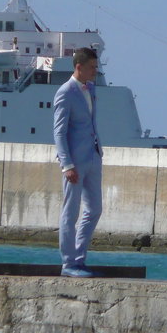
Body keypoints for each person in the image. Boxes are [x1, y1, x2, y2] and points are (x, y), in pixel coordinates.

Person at [53, 47, 104, 277]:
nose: (96, 71)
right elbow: (59, 132)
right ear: (79, 66)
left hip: (93, 157)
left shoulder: (91, 89)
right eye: (92, 67)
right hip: (74, 162)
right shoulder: (65, 92)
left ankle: (79, 257)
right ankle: (68, 263)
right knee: (70, 212)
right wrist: (67, 164)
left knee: (94, 209)